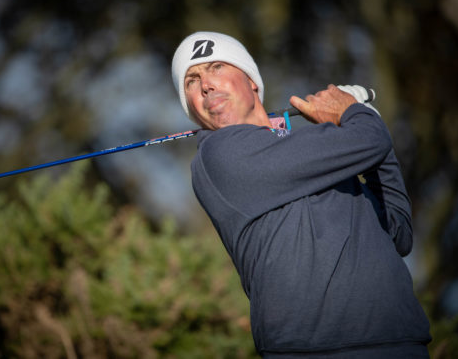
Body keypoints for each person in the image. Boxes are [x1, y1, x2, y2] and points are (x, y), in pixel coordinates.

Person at [171, 31, 431, 358]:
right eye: (192, 81)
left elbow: (399, 234)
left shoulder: (325, 153)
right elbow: (369, 141)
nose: (206, 84)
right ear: (192, 109)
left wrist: (369, 122)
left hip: (399, 345)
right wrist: (355, 115)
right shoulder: (218, 157)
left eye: (217, 67)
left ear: (252, 81)